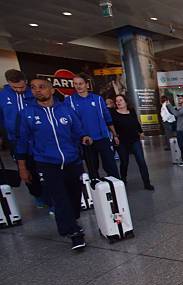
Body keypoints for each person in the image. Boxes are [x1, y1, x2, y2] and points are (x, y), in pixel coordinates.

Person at [16, 78, 92, 250]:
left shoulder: (66, 110)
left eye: (42, 87)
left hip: (72, 161)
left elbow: (78, 130)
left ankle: (70, 221)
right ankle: (74, 233)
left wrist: (84, 137)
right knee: (59, 199)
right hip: (47, 163)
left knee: (74, 196)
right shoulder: (27, 114)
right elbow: (21, 142)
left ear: (51, 90)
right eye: (34, 88)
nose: (37, 91)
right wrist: (22, 168)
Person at [0, 69, 46, 207]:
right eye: (15, 87)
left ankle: (50, 196)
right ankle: (37, 195)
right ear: (8, 83)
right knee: (25, 169)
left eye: (21, 86)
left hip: (37, 138)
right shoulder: (2, 96)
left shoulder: (33, 93)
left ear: (25, 81)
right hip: (15, 140)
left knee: (44, 167)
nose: (19, 90)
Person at [66, 72, 120, 179]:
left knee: (110, 166)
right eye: (75, 84)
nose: (78, 86)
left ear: (87, 84)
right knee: (92, 168)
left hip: (103, 138)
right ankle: (96, 189)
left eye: (80, 83)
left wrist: (114, 135)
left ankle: (117, 187)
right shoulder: (69, 101)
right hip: (86, 140)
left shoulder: (98, 99)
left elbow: (107, 117)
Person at [111, 94, 154, 190]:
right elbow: (111, 125)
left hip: (134, 140)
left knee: (141, 161)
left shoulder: (132, 111)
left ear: (126, 102)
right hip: (122, 141)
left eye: (120, 100)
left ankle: (147, 183)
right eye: (117, 101)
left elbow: (136, 122)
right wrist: (114, 136)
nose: (118, 102)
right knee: (124, 162)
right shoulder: (113, 113)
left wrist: (141, 132)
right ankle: (123, 179)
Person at [166, 95, 183, 166]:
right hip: (180, 130)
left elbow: (176, 114)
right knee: (182, 146)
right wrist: (168, 107)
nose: (179, 100)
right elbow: (174, 113)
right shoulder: (181, 108)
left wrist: (169, 105)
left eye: (180, 99)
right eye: (178, 99)